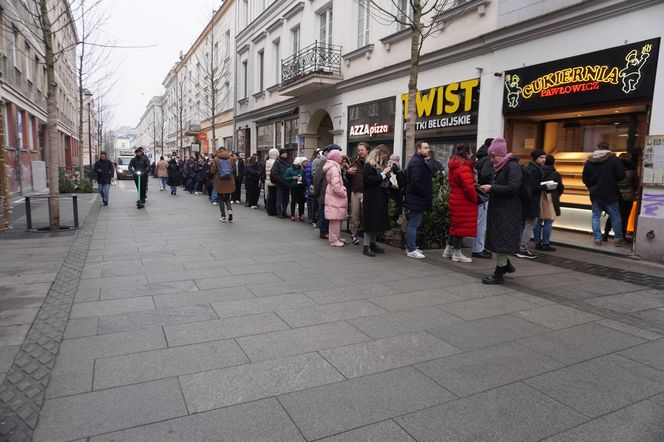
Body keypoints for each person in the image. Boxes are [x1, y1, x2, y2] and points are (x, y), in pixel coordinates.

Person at [481, 138, 522, 284]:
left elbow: (513, 188)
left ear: (501, 154)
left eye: (493, 156)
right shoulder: (499, 167)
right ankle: (505, 266)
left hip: (508, 212)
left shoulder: (512, 167)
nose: (492, 160)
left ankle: (499, 272)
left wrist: (492, 188)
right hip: (500, 211)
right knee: (498, 242)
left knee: (501, 243)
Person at [582, 141, 626, 246]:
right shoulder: (614, 160)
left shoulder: (589, 161)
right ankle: (618, 239)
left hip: (595, 193)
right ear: (608, 148)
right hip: (610, 192)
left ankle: (597, 238)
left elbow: (585, 178)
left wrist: (591, 187)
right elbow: (621, 175)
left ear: (598, 148)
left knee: (596, 216)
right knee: (615, 216)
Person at [443, 144, 478, 262]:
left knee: (455, 226)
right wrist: (476, 199)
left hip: (455, 200)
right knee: (460, 228)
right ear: (467, 154)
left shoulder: (454, 166)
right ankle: (457, 253)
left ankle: (448, 250)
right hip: (464, 202)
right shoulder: (463, 168)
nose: (472, 155)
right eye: (471, 152)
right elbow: (469, 188)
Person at [404, 141, 434, 259]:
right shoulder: (417, 162)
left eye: (428, 147)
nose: (428, 149)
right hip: (417, 198)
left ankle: (412, 246)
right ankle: (411, 249)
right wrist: (425, 193)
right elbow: (416, 182)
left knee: (414, 224)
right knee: (414, 224)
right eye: (425, 148)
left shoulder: (419, 161)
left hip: (416, 198)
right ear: (418, 150)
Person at [516, 149, 547, 259]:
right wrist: (544, 187)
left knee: (524, 225)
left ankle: (518, 247)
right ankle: (522, 248)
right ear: (535, 158)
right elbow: (533, 187)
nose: (544, 160)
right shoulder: (535, 170)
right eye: (541, 157)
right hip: (531, 200)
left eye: (544, 157)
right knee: (530, 224)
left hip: (526, 200)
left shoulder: (530, 168)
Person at [362, 144, 391, 257]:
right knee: (370, 221)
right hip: (371, 199)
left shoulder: (379, 166)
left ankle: (372, 244)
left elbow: (381, 181)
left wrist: (387, 177)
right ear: (378, 154)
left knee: (376, 222)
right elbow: (370, 181)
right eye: (383, 155)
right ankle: (366, 246)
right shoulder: (368, 166)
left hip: (379, 198)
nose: (384, 158)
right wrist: (383, 174)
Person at [603, 152, 635, 242]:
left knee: (613, 215)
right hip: (628, 197)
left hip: (616, 196)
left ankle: (605, 234)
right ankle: (622, 236)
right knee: (625, 217)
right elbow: (635, 183)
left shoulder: (614, 170)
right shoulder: (632, 170)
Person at [313, 144, 342, 239]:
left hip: (329, 193)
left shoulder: (334, 162)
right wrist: (317, 192)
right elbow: (317, 178)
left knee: (328, 213)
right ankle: (323, 231)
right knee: (325, 213)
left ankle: (328, 232)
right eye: (337, 151)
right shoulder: (324, 161)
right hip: (325, 193)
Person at [536, 155, 565, 251]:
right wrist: (557, 195)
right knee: (549, 221)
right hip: (551, 198)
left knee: (538, 221)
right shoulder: (555, 174)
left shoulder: (538, 171)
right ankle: (545, 243)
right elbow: (560, 187)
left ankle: (537, 243)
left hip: (539, 197)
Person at [472, 138, 494, 259]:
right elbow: (487, 174)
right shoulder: (488, 159)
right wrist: (492, 183)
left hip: (479, 193)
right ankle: (478, 249)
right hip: (484, 194)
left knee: (479, 223)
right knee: (482, 224)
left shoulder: (480, 158)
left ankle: (478, 247)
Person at [323, 150, 348, 247]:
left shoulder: (332, 166)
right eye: (340, 156)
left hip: (333, 196)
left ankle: (336, 237)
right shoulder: (334, 168)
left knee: (336, 218)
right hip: (335, 197)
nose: (341, 158)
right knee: (335, 220)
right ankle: (334, 240)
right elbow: (336, 185)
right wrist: (343, 192)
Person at [347, 142, 369, 245]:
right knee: (355, 215)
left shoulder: (371, 162)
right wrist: (348, 172)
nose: (360, 152)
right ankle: (354, 234)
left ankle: (367, 236)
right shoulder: (354, 162)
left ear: (367, 150)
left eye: (362, 150)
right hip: (356, 192)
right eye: (359, 150)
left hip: (368, 193)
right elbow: (348, 178)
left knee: (367, 215)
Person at [210, 148, 237, 222]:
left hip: (220, 181)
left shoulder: (216, 159)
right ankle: (230, 211)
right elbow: (234, 169)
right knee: (227, 198)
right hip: (229, 181)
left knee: (220, 198)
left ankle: (223, 216)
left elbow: (212, 170)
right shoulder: (231, 158)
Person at [284, 157, 307, 221]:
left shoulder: (302, 170)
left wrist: (302, 180)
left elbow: (305, 179)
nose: (297, 166)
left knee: (301, 202)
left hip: (301, 187)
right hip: (293, 187)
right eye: (296, 165)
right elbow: (285, 177)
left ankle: (301, 214)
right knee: (293, 201)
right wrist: (292, 178)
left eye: (298, 165)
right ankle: (293, 215)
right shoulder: (289, 169)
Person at [270, 149, 291, 218]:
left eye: (286, 153)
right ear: (281, 154)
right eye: (285, 153)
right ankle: (279, 212)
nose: (286, 154)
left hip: (287, 184)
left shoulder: (287, 162)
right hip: (280, 184)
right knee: (279, 199)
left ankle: (284, 211)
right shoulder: (277, 162)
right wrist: (281, 180)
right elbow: (274, 173)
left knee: (286, 199)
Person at [388, 153, 406, 228]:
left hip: (396, 192)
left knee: (396, 207)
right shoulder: (393, 169)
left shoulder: (397, 170)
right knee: (395, 207)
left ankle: (393, 221)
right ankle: (392, 221)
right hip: (393, 191)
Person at [264, 148, 279, 216]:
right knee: (274, 197)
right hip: (273, 181)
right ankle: (273, 211)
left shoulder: (267, 161)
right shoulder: (275, 162)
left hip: (268, 180)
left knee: (270, 196)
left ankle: (269, 210)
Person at [305, 151, 318, 224]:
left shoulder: (310, 163)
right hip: (312, 186)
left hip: (311, 185)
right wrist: (310, 184)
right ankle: (312, 218)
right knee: (312, 203)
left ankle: (311, 217)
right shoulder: (312, 163)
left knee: (311, 203)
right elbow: (309, 176)